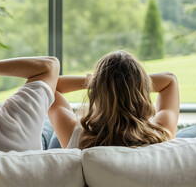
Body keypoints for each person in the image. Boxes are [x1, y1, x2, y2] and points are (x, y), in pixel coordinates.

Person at [48, 50, 181, 149]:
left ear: (97, 90)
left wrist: (96, 81)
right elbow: (170, 80)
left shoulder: (76, 137)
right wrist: (135, 83)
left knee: (52, 133)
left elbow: (49, 85)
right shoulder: (160, 133)